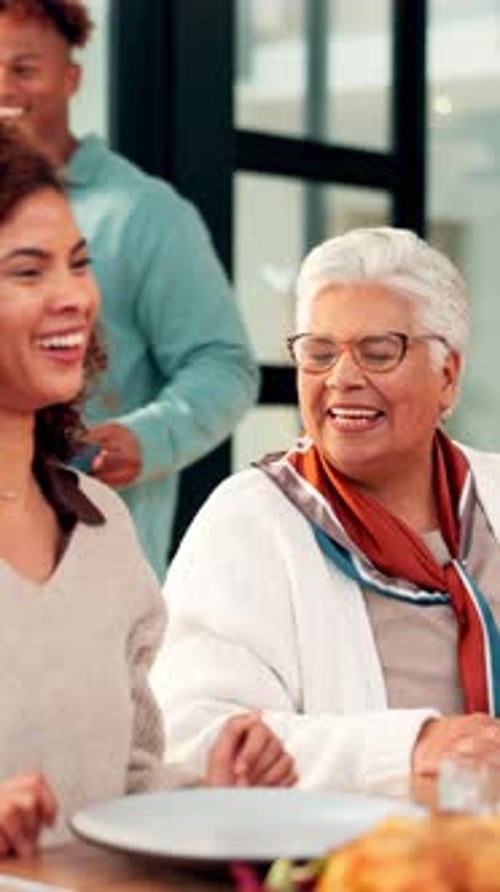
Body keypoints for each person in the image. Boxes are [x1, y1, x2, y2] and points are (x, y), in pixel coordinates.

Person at [0, 122, 293, 860]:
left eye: (79, 264)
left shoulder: (99, 525)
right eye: (29, 271)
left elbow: (123, 787)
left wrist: (211, 797)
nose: (73, 297)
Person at [152, 226, 500, 797]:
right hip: (353, 870)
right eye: (318, 353)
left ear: (448, 376)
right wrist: (411, 747)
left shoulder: (491, 491)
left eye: (378, 352)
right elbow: (192, 735)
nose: (341, 379)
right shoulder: (249, 519)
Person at [0, 0, 259, 581]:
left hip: (96, 572)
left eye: (23, 68)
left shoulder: (146, 213)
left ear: (71, 78)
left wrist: (146, 438)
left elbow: (224, 365)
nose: (3, 87)